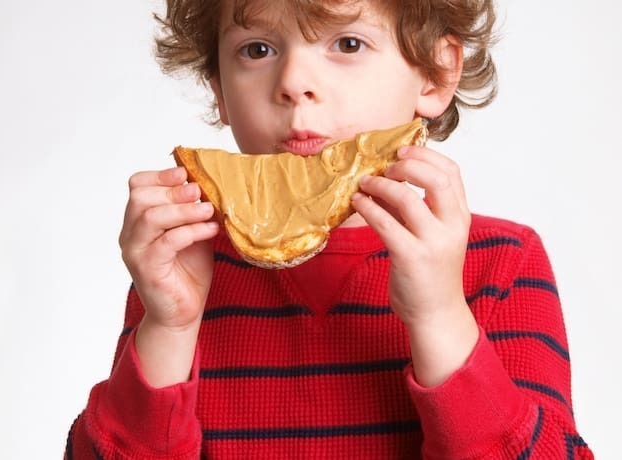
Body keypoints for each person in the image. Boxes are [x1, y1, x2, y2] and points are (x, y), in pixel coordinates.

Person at [65, 0, 594, 458]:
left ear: (436, 73)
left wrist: (439, 317)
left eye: (347, 42)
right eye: (257, 50)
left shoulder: (501, 260)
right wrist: (169, 329)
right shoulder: (182, 268)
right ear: (219, 90)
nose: (294, 83)